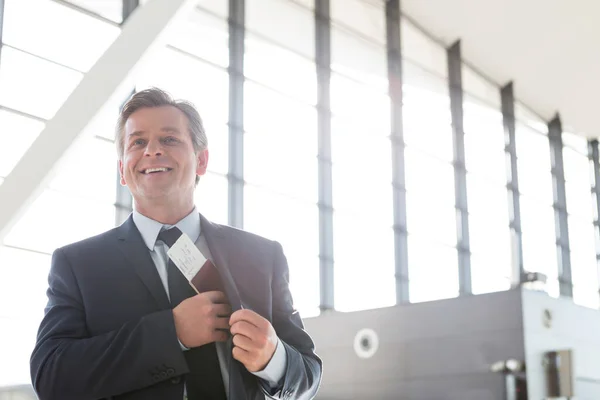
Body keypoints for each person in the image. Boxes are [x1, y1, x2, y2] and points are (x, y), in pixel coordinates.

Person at [30, 88, 322, 400]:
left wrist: (273, 358)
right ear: (122, 171)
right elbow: (51, 375)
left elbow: (308, 374)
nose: (152, 150)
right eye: (138, 142)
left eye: (169, 139)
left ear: (202, 160)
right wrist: (172, 334)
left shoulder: (263, 257)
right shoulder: (78, 265)